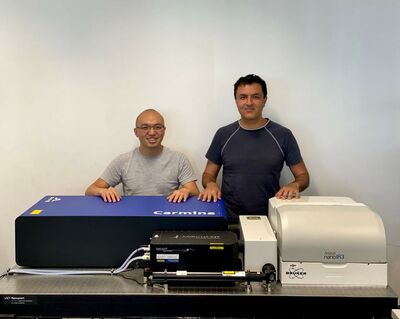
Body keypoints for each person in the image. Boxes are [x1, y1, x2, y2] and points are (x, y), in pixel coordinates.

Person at [198, 74, 309, 220]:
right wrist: (211, 184)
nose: (249, 103)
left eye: (255, 97)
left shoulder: (283, 135)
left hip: (270, 218)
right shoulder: (223, 134)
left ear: (264, 100)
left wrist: (294, 185)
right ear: (236, 101)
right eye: (243, 97)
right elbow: (208, 175)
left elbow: (303, 176)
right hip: (229, 219)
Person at [85, 109, 199, 203]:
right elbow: (90, 190)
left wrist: (186, 191)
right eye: (145, 127)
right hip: (133, 218)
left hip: (167, 218)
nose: (152, 132)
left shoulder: (179, 159)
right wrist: (102, 191)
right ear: (136, 132)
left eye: (158, 127)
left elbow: (195, 192)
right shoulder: (123, 161)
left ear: (164, 130)